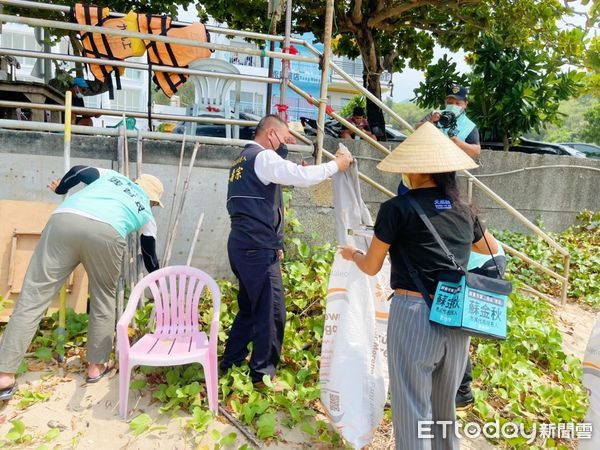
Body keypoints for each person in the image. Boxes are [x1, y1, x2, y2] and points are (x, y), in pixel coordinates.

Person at [339, 122, 496, 449]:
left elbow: (371, 266)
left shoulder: (397, 209)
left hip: (414, 314)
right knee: (443, 413)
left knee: (412, 410)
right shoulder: (464, 209)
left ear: (416, 168)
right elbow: (491, 250)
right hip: (456, 316)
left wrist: (353, 254)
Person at [0, 167, 164, 401]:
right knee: (103, 298)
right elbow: (149, 257)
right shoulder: (146, 212)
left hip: (65, 221)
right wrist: (160, 278)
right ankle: (95, 367)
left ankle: (4, 375)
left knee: (33, 295)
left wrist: (61, 189)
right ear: (153, 200)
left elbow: (80, 171)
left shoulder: (112, 176)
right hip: (107, 234)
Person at [221, 114, 353, 389]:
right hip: (256, 247)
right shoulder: (264, 158)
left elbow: (259, 200)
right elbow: (302, 176)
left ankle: (231, 362)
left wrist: (275, 243)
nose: (284, 145)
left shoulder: (240, 161)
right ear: (270, 134)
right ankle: (262, 375)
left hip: (241, 244)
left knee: (249, 308)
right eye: (283, 139)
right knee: (272, 311)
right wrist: (336, 165)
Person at [456, 232, 507, 409]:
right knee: (455, 327)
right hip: (485, 260)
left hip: (482, 264)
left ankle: (463, 392)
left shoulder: (449, 210)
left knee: (456, 328)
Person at [417, 85, 481, 158]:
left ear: (465, 104)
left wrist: (456, 141)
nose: (453, 106)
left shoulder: (469, 126)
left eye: (458, 103)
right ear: (445, 102)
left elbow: (476, 151)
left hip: (451, 164)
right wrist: (430, 121)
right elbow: (416, 128)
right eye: (450, 103)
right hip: (427, 159)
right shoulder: (435, 114)